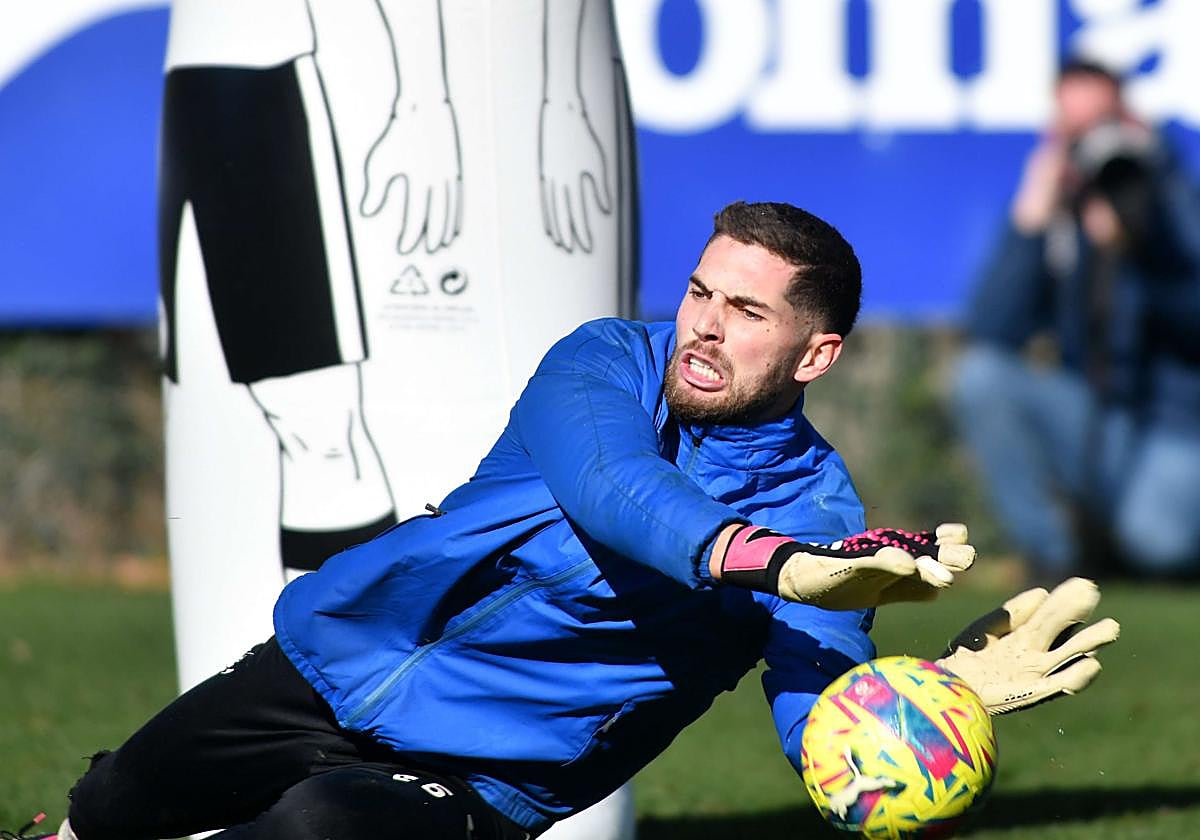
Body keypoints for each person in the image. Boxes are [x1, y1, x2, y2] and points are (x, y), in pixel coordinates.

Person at [49, 202, 1117, 840]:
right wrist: (771, 567)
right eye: (701, 291)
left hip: (486, 769)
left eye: (746, 312)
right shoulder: (605, 361)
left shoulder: (818, 513)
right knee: (107, 806)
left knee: (316, 831)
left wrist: (929, 704)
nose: (701, 325)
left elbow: (818, 707)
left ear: (816, 354)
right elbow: (621, 493)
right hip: (339, 655)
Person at [953, 58, 1200, 583]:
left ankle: (1129, 538)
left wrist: (1144, 244)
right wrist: (1031, 219)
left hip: (1179, 423)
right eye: (1078, 131)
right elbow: (992, 327)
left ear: (1131, 119)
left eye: (1104, 124)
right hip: (1092, 415)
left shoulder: (1176, 200)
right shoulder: (1061, 215)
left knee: (1159, 544)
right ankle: (1053, 557)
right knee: (982, 376)